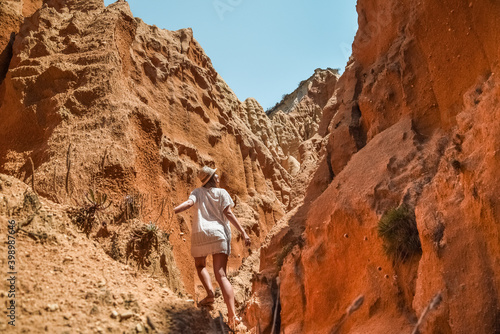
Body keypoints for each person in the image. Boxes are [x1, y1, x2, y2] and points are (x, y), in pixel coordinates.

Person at [173, 166, 251, 327]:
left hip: (200, 233)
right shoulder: (222, 193)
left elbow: (188, 204)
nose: (218, 177)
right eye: (216, 175)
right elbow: (228, 213)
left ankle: (209, 294)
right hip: (218, 234)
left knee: (200, 264)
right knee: (221, 275)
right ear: (212, 178)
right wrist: (243, 232)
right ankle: (232, 315)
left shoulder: (197, 192)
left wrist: (172, 210)